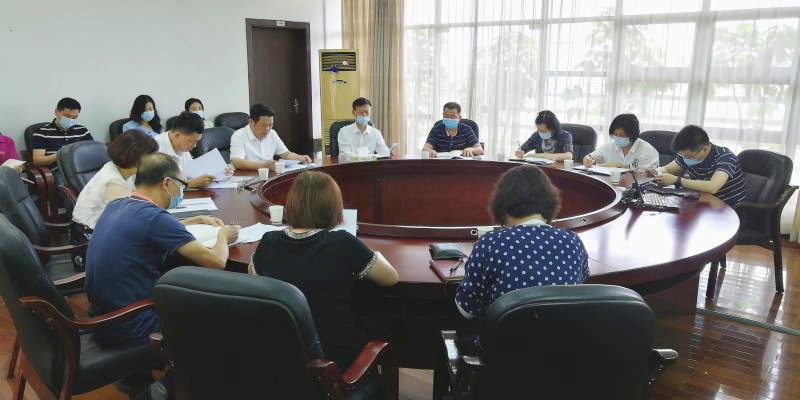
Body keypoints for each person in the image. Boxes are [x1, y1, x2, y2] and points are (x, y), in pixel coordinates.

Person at [85, 153, 239, 399]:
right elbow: (217, 261)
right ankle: (166, 389)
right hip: (132, 322)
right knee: (217, 320)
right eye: (182, 184)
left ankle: (137, 376)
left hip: (102, 315)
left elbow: (152, 226)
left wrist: (194, 219)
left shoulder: (118, 205)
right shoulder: (154, 218)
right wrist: (224, 236)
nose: (182, 191)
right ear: (166, 183)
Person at [249, 171, 398, 369]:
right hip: (333, 363)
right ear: (332, 206)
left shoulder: (268, 242)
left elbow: (254, 281)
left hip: (280, 357)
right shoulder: (342, 242)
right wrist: (375, 254)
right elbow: (390, 278)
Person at [454, 165, 589, 353]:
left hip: (504, 355)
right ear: (549, 203)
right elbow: (579, 288)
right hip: (562, 352)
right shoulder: (572, 241)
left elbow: (466, 310)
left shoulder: (491, 243)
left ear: (502, 205)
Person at [71, 131, 158, 242]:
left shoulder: (122, 169)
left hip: (106, 228)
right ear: (133, 158)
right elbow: (131, 219)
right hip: (89, 238)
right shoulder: (112, 181)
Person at [653, 125, 746, 207]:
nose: (685, 158)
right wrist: (655, 172)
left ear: (704, 149)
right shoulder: (687, 154)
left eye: (689, 156)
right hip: (702, 202)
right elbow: (667, 169)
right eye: (683, 155)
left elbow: (713, 187)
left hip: (728, 208)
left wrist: (677, 180)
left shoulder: (725, 157)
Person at [230, 103, 313, 170]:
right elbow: (236, 161)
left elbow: (286, 154)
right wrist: (263, 166)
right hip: (248, 177)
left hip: (269, 175)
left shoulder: (272, 133)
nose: (268, 129)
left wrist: (299, 157)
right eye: (264, 125)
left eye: (270, 125)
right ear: (251, 122)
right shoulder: (239, 136)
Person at [154, 111, 219, 188]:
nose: (195, 146)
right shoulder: (156, 148)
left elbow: (191, 172)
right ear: (177, 135)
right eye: (191, 141)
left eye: (197, 141)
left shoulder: (182, 146)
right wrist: (188, 184)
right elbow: (157, 187)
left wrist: (217, 172)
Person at [31, 97, 94, 168]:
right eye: (67, 116)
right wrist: (61, 154)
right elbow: (37, 161)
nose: (70, 120)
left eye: (74, 117)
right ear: (56, 112)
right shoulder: (42, 132)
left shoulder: (82, 130)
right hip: (59, 170)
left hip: (84, 167)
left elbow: (93, 151)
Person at [582, 114, 658, 169]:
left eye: (622, 135)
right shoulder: (609, 146)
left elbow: (647, 176)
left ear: (633, 134)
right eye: (615, 134)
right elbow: (590, 157)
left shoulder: (646, 150)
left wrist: (621, 167)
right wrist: (587, 159)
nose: (618, 137)